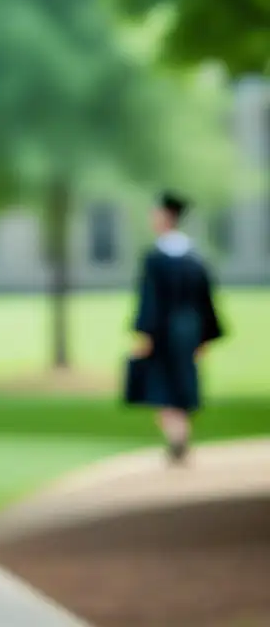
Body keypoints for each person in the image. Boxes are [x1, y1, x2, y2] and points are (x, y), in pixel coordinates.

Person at [125, 191, 224, 464]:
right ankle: (181, 436)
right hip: (190, 329)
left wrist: (144, 334)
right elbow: (205, 299)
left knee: (162, 387)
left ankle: (176, 436)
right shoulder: (194, 256)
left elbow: (150, 300)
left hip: (163, 331)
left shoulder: (156, 258)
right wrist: (205, 334)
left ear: (166, 217)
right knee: (183, 383)